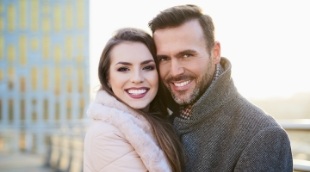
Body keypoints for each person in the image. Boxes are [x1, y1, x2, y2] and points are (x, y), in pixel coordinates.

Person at [149, 4, 293, 172]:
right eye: (164, 58)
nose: (175, 71)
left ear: (215, 52)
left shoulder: (262, 136)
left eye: (187, 55)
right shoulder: (154, 118)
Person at [83, 28, 184, 172]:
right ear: (107, 78)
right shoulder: (105, 134)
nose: (137, 78)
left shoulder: (159, 122)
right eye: (124, 69)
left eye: (148, 67)